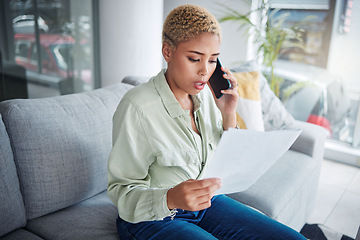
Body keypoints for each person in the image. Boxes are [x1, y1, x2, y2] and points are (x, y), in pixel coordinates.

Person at [107, 4, 307, 240]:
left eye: (213, 60)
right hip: (152, 218)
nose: (205, 71)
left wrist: (228, 114)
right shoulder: (137, 107)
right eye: (194, 58)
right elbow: (122, 192)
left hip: (208, 203)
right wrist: (170, 197)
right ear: (168, 52)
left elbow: (225, 164)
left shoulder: (208, 98)